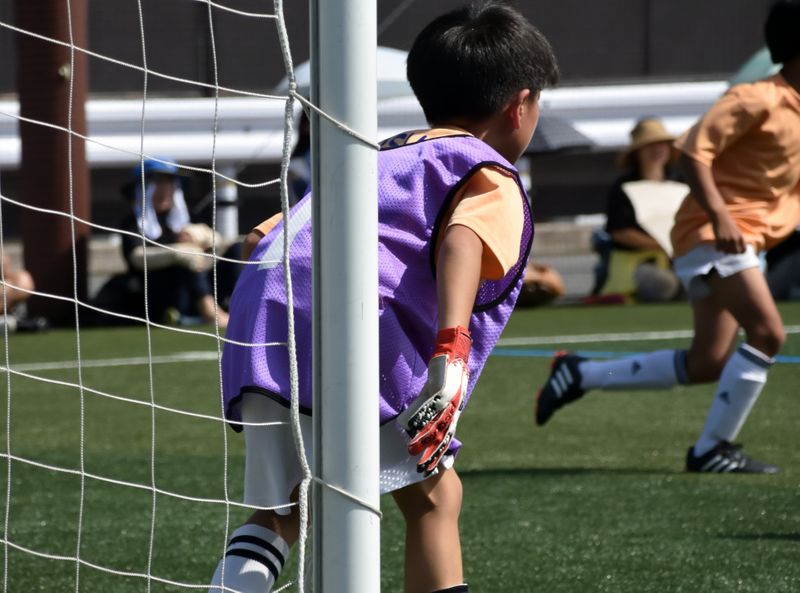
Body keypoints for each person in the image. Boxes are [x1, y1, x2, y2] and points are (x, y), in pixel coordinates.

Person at [208, 3, 559, 593]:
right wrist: (448, 355)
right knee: (435, 498)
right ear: (519, 105)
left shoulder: (376, 152)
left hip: (261, 323)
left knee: (282, 511)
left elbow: (262, 236)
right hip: (348, 323)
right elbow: (464, 240)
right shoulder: (486, 170)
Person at [535, 0, 800, 474]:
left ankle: (582, 372)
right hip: (714, 236)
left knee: (707, 363)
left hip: (744, 242)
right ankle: (711, 450)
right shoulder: (755, 97)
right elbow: (693, 153)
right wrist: (719, 215)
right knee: (767, 333)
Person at [118, 158, 230, 328]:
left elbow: (213, 250)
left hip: (198, 284)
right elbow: (136, 258)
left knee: (237, 250)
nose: (165, 189)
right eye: (157, 183)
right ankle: (210, 312)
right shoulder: (133, 222)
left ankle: (238, 308)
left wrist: (207, 238)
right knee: (186, 257)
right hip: (159, 293)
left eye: (170, 183)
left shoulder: (187, 218)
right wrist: (177, 253)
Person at [591, 117, 682, 302]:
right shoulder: (623, 187)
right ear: (637, 152)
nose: (657, 149)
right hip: (638, 262)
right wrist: (662, 244)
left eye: (661, 144)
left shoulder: (681, 181)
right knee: (663, 284)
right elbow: (620, 233)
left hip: (680, 258)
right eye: (649, 145)